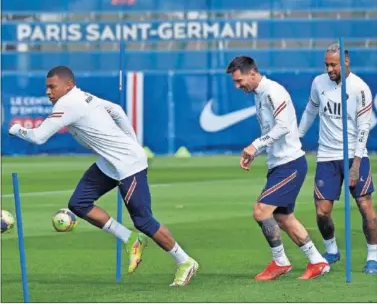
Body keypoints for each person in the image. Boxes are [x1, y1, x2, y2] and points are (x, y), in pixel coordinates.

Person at [9, 66, 199, 286]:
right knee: (78, 203)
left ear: (68, 85)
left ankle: (185, 261)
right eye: (46, 87)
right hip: (110, 164)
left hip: (128, 165)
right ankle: (130, 239)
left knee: (143, 220)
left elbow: (39, 137)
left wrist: (15, 129)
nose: (48, 92)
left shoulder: (68, 103)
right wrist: (132, 140)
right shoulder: (83, 96)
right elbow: (117, 109)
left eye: (52, 87)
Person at [225, 56, 330, 280]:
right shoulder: (258, 95)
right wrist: (256, 152)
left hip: (290, 164)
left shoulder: (273, 91)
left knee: (261, 211)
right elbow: (270, 131)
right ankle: (318, 261)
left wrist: (255, 145)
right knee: (284, 218)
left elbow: (283, 126)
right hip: (278, 164)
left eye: (240, 80)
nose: (237, 85)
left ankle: (280, 262)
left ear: (252, 73)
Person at [298, 43, 377, 274]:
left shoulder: (359, 88)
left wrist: (356, 164)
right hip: (326, 155)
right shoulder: (318, 83)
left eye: (333, 64)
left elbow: (364, 127)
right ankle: (331, 250)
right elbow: (311, 111)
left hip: (354, 154)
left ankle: (373, 256)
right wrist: (298, 136)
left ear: (346, 62)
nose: (330, 69)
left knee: (365, 206)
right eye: (327, 64)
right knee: (322, 211)